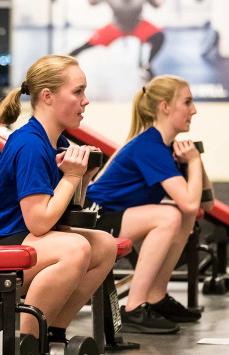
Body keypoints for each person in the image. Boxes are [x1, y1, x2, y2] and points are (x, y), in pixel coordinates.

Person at [0, 55, 118, 342]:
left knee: (103, 245)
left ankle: (52, 334)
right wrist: (72, 177)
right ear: (47, 96)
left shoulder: (57, 142)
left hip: (13, 239)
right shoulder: (30, 145)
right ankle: (27, 347)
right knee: (75, 249)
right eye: (78, 91)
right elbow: (40, 223)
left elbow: (61, 219)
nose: (85, 100)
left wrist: (82, 178)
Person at [85, 75, 214, 334]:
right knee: (170, 216)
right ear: (165, 107)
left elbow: (205, 205)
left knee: (182, 216)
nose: (194, 110)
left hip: (114, 217)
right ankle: (134, 307)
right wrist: (194, 161)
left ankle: (156, 296)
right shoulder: (150, 146)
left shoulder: (164, 147)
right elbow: (189, 202)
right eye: (187, 102)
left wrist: (192, 160)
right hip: (94, 220)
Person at [69, 0, 165, 81]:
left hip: (137, 25)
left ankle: (147, 64)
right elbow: (93, 3)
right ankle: (68, 58)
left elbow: (156, 5)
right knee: (89, 44)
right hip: (117, 27)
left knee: (159, 36)